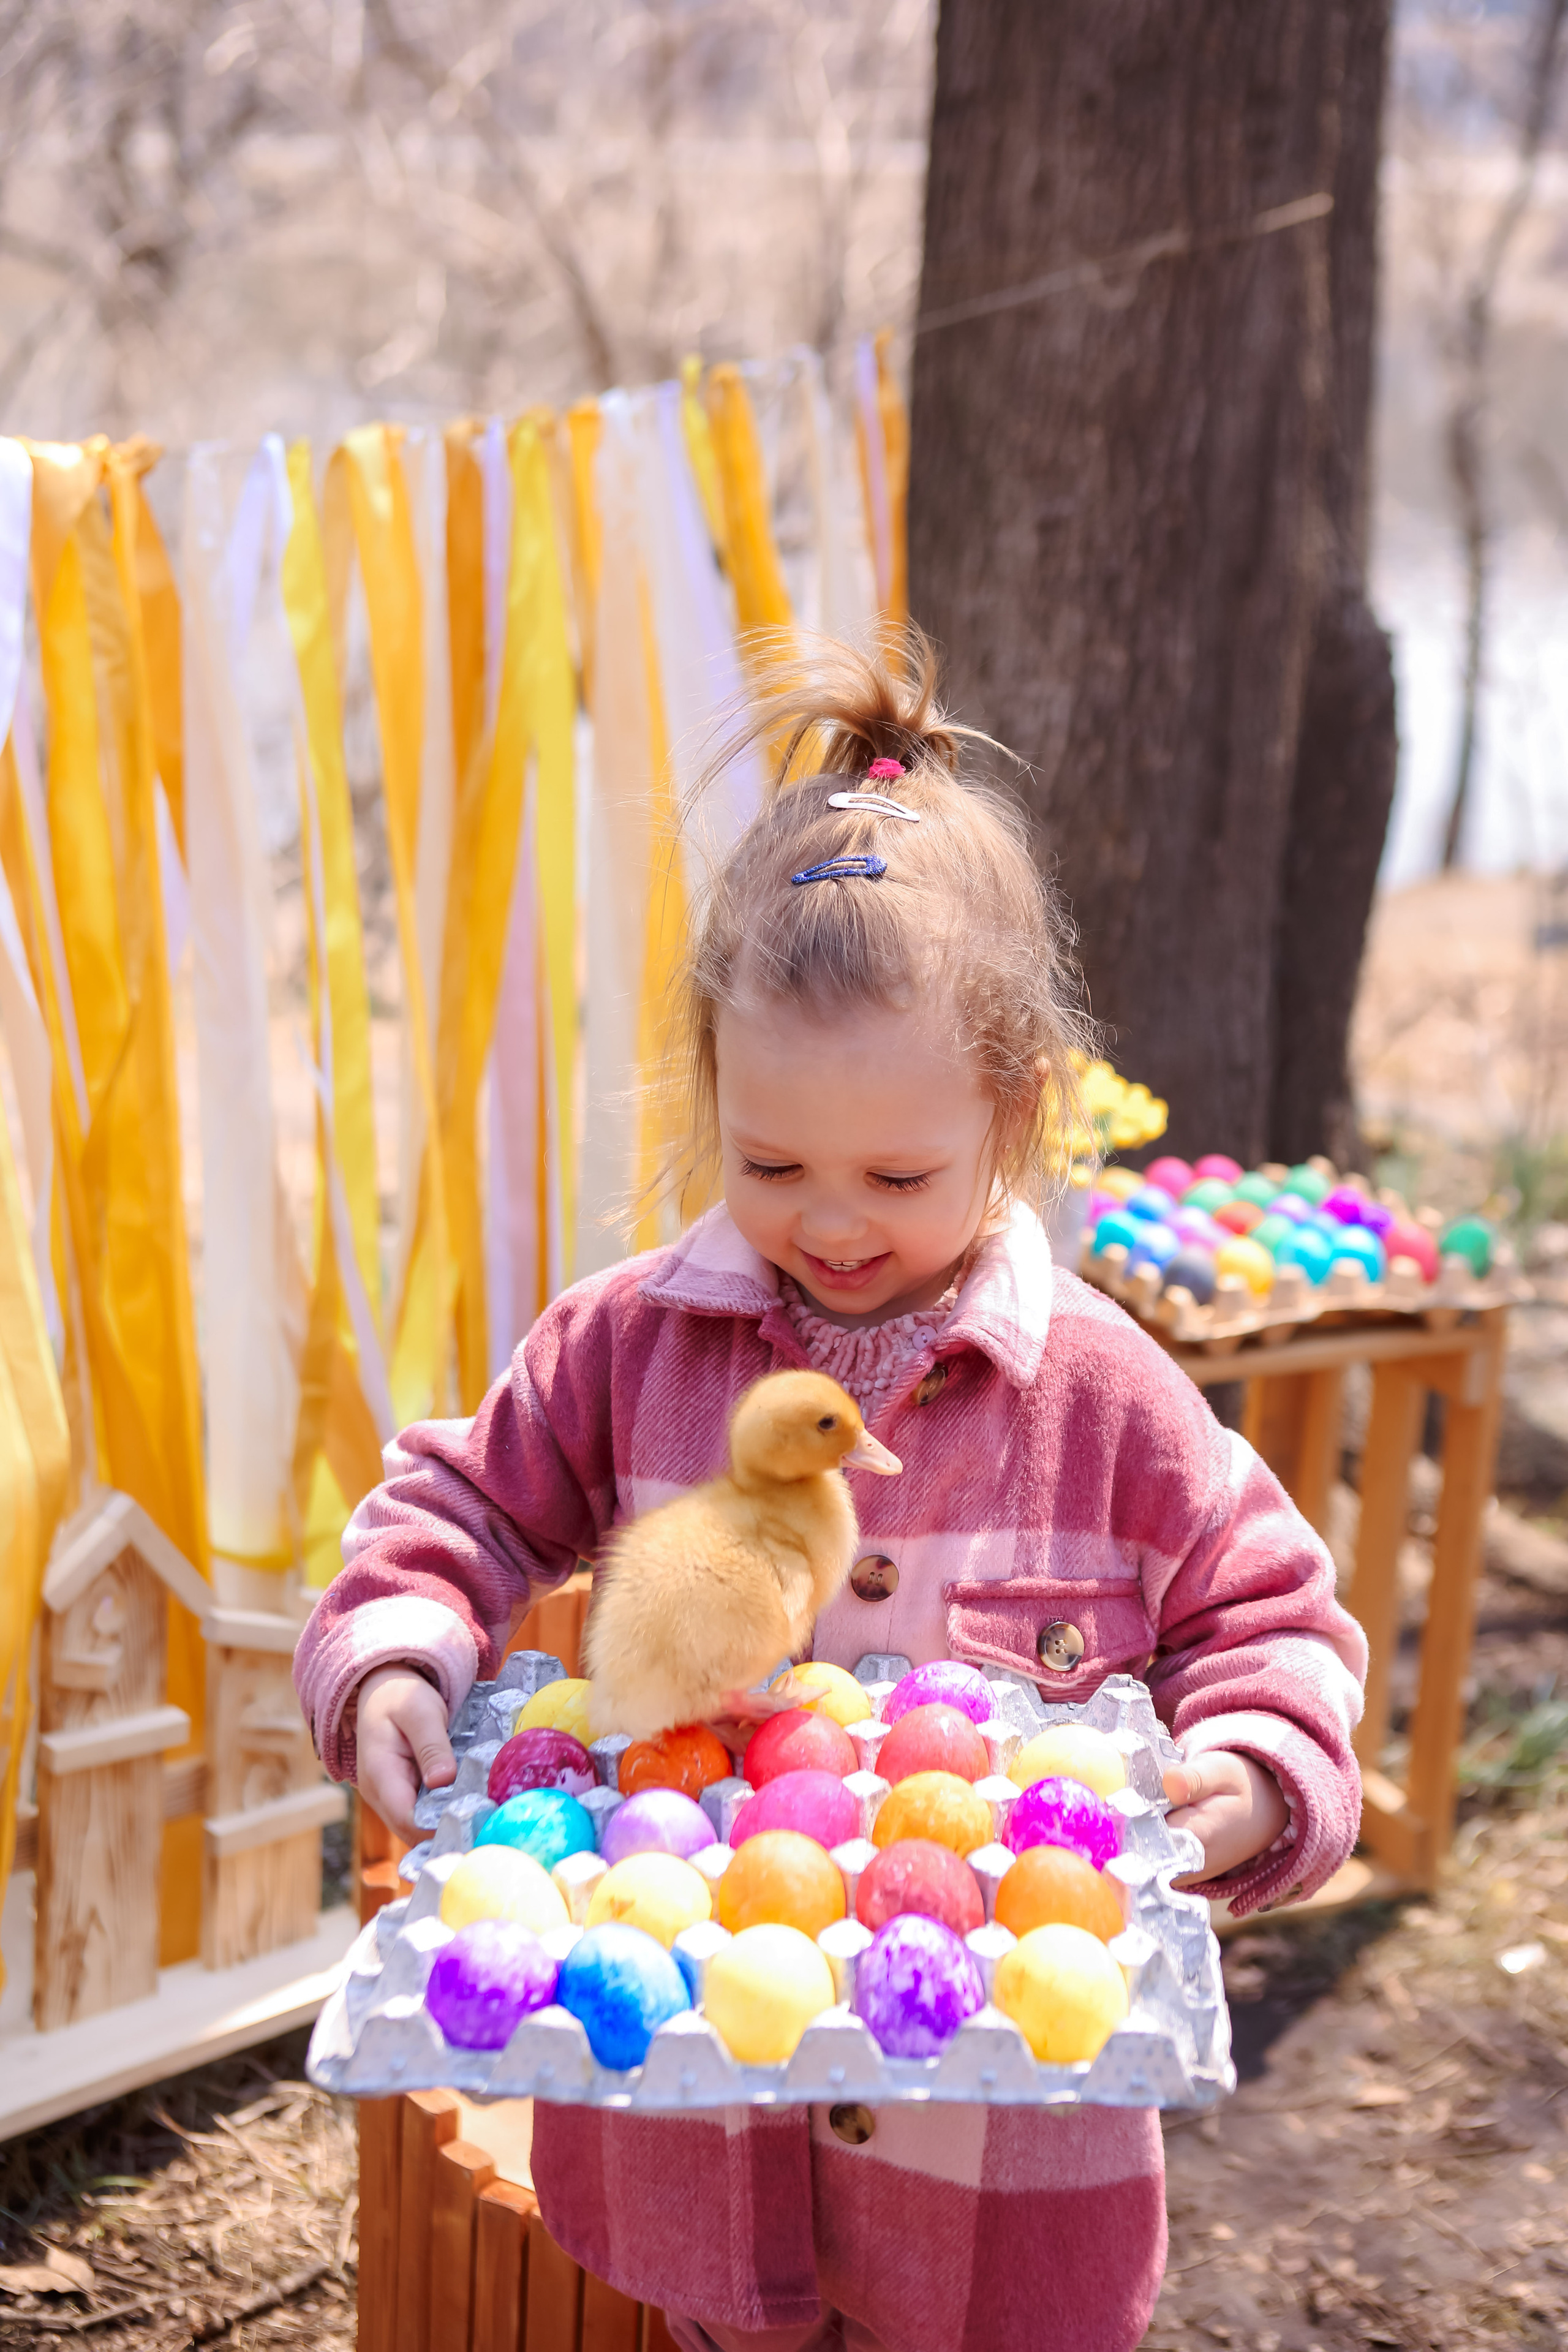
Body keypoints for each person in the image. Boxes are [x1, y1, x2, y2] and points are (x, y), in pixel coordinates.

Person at [294, 633, 1367, 2352]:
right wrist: (401, 1647)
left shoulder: (1103, 1397)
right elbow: (457, 1508)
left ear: (1015, 1120)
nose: (834, 1220)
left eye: (899, 1172)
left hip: (1004, 2197)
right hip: (701, 2158)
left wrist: (1249, 1772)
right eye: (774, 1162)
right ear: (716, 1094)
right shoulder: (635, 1345)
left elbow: (1273, 1614)